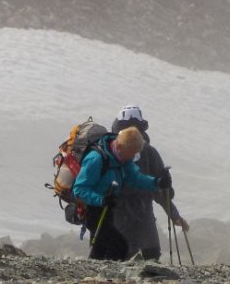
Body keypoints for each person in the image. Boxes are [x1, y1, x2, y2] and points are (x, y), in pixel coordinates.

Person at [72, 126, 172, 261]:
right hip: (92, 210)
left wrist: (157, 182)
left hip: (108, 208)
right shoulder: (96, 159)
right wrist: (101, 200)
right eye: (131, 153)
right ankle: (106, 273)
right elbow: (79, 189)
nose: (133, 157)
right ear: (119, 147)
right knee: (120, 247)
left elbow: (135, 178)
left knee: (101, 248)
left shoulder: (122, 158)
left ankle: (93, 272)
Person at [111, 105, 189, 261]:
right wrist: (174, 215)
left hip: (118, 213)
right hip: (141, 212)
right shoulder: (149, 152)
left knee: (124, 255)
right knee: (150, 254)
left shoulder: (111, 152)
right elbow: (161, 189)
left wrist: (174, 215)